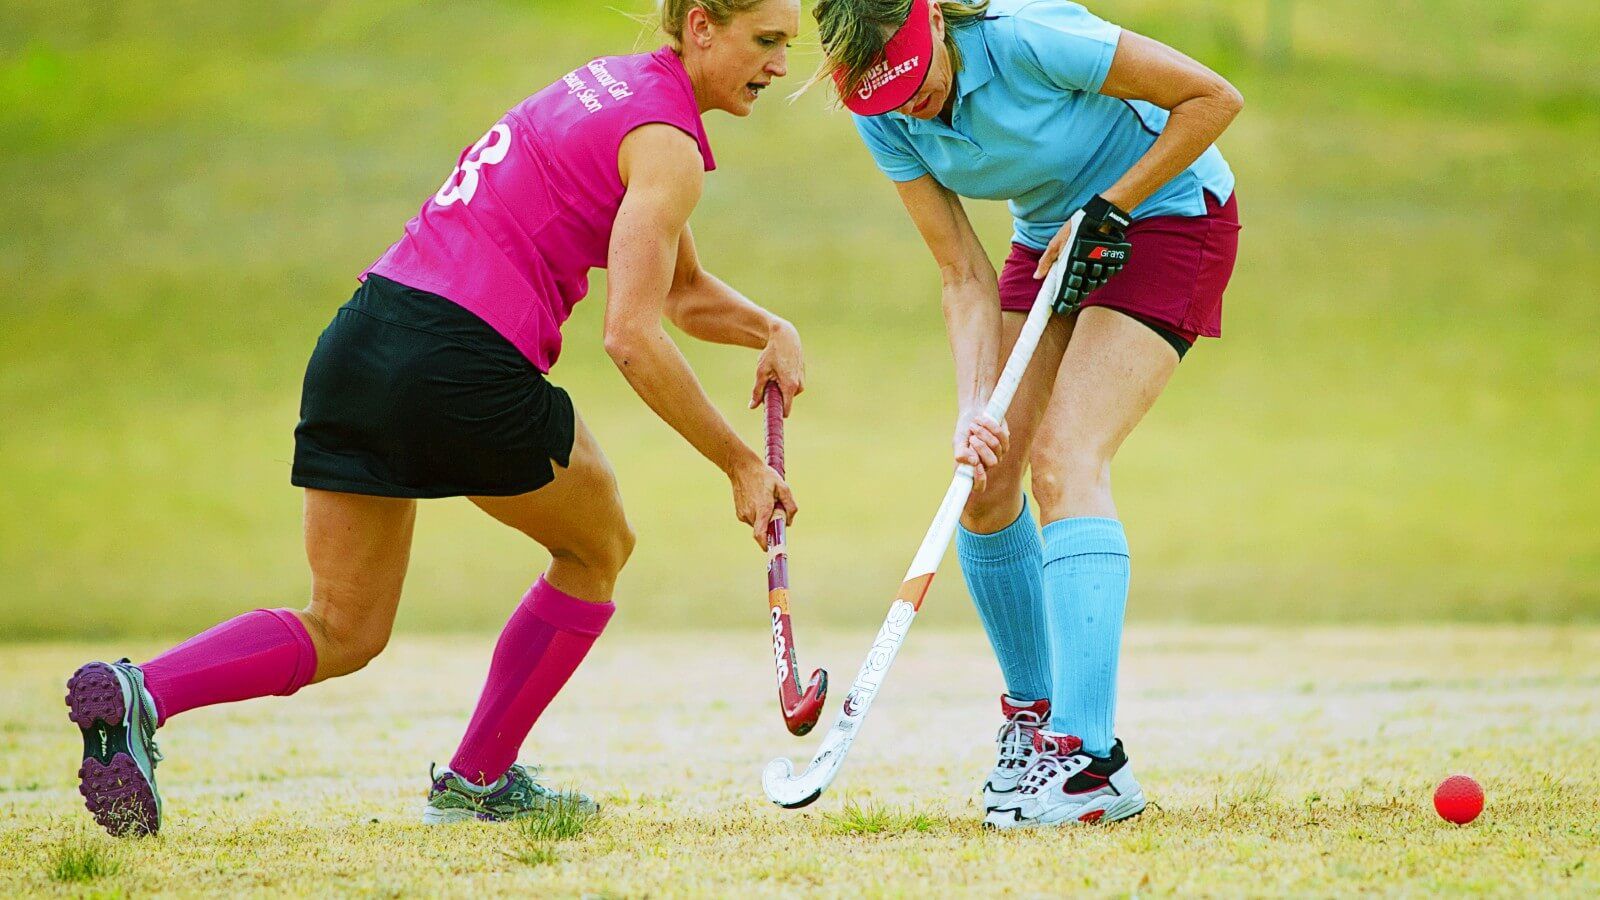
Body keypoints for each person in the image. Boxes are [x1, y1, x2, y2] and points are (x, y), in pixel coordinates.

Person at [65, 0, 803, 837]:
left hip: (362, 337)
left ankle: (140, 693)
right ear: (702, 26)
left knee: (343, 625)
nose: (779, 65)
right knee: (598, 546)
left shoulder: (613, 90)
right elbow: (632, 337)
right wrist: (741, 463)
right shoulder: (669, 144)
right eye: (767, 41)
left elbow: (679, 288)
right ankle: (478, 780)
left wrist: (770, 330)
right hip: (463, 359)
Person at [810, 0, 1242, 827]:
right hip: (1048, 242)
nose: (912, 107)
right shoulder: (885, 112)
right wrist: (973, 404)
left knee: (1063, 457)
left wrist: (1108, 206)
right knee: (987, 475)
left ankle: (1092, 763)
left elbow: (1213, 100)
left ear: (933, 22)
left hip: (1167, 214)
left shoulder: (1027, 36)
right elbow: (961, 273)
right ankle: (1037, 725)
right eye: (885, 97)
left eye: (917, 80)